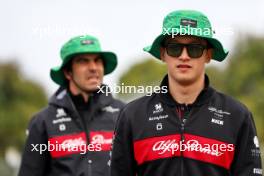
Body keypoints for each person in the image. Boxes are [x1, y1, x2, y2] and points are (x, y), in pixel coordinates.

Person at [111, 10, 262, 176]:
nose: (184, 56)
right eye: (174, 48)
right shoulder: (132, 115)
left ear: (208, 55)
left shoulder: (237, 115)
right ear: (163, 54)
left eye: (195, 49)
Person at [18, 35, 125, 176]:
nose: (93, 67)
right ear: (67, 72)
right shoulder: (42, 122)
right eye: (83, 61)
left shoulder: (124, 113)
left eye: (98, 60)